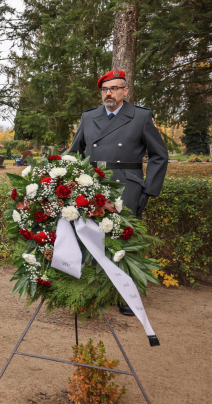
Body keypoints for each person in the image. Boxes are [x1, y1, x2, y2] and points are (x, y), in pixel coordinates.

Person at [69, 70, 168, 315]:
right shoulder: (89, 117)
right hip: (94, 184)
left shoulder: (141, 116)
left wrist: (149, 189)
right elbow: (75, 151)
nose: (109, 93)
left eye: (114, 88)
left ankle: (126, 293)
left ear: (126, 91)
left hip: (127, 184)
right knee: (92, 236)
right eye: (104, 89)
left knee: (126, 238)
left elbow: (159, 155)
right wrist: (63, 178)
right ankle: (94, 291)